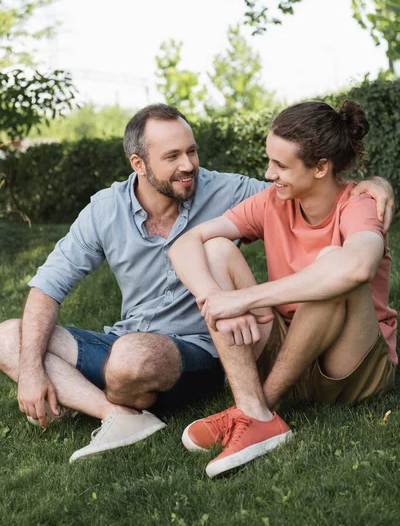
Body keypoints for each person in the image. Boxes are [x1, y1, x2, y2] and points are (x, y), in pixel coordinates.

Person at [0, 104, 393, 464]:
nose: (188, 165)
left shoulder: (251, 192)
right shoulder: (107, 208)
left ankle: (254, 410)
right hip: (157, 338)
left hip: (257, 351)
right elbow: (50, 286)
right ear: (138, 163)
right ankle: (119, 414)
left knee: (326, 269)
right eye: (172, 156)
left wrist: (378, 183)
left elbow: (339, 229)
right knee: (9, 338)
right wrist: (32, 371)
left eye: (191, 151)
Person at [169, 100, 397, 479]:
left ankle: (259, 410)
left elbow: (357, 267)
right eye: (270, 161)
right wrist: (212, 296)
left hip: (351, 365)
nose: (268, 172)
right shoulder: (271, 202)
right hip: (291, 348)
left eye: (280, 165)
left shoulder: (359, 205)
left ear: (321, 167)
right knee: (215, 249)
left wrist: (243, 299)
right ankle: (252, 409)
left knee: (333, 263)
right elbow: (185, 243)